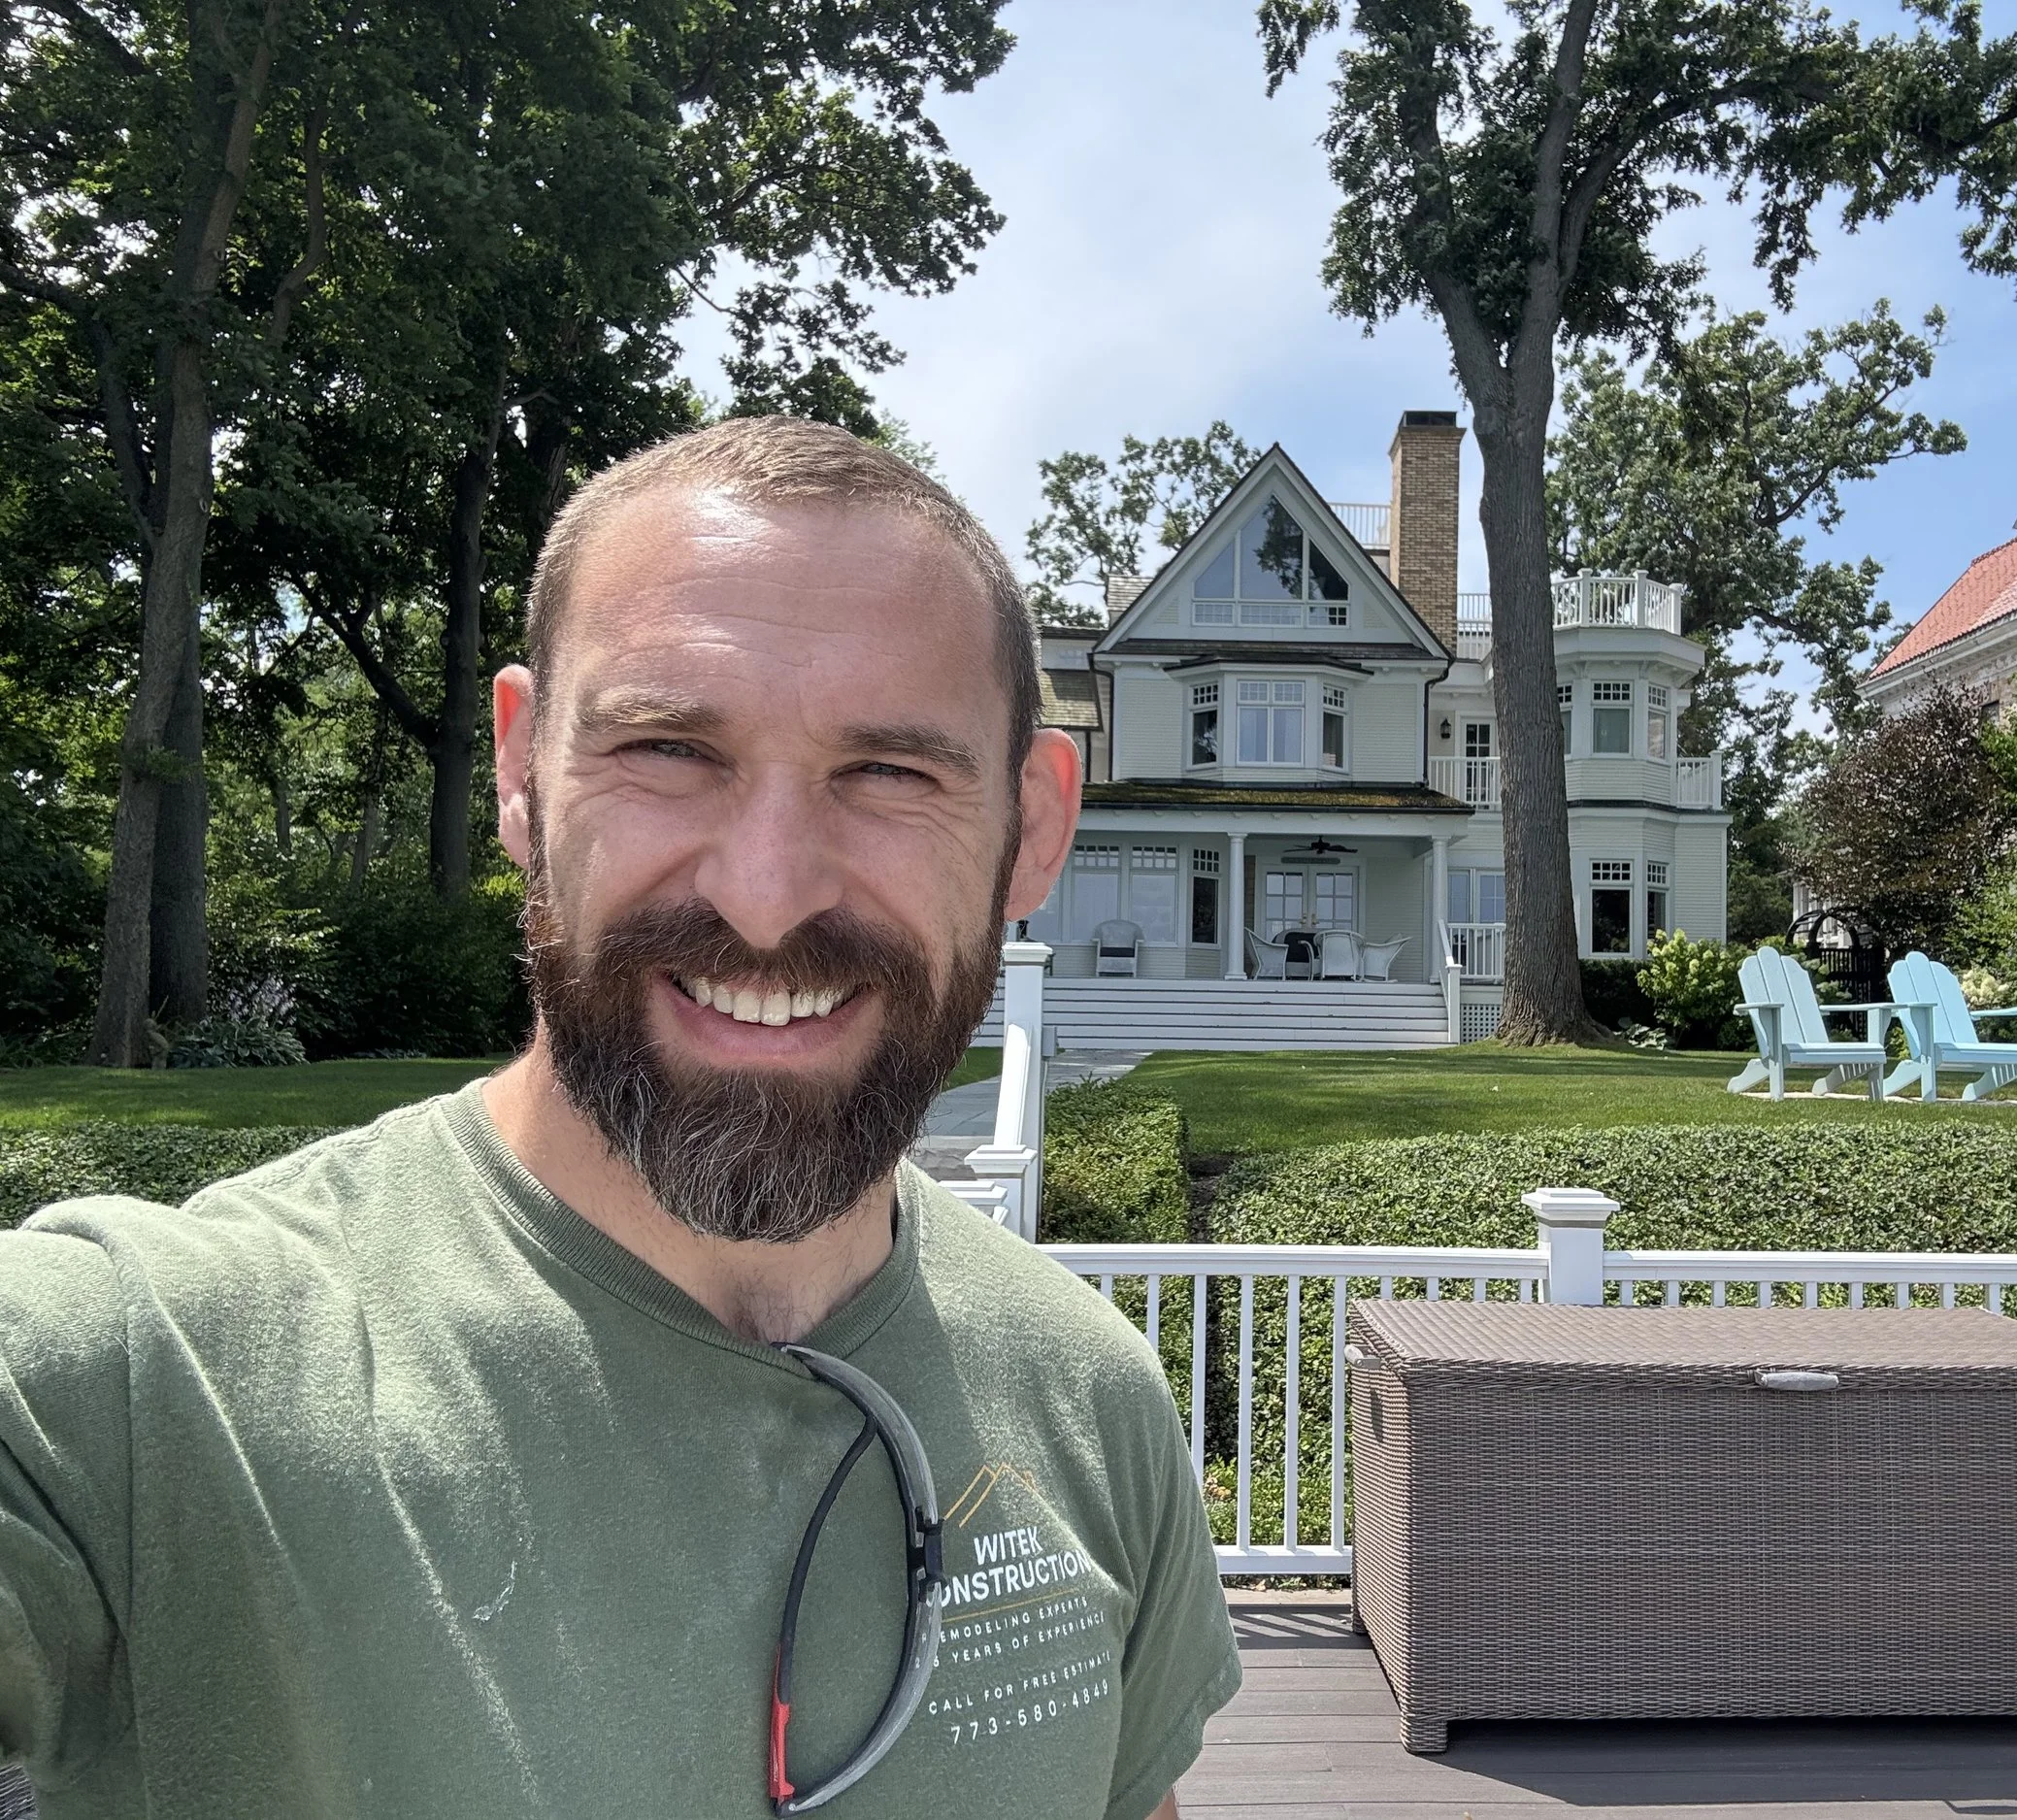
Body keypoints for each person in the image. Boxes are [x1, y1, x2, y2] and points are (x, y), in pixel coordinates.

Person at [0, 418, 1239, 1818]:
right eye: (667, 747)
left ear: (1033, 825)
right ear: (524, 773)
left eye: (891, 773)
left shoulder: (1091, 1393)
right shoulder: (143, 1373)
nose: (768, 895)